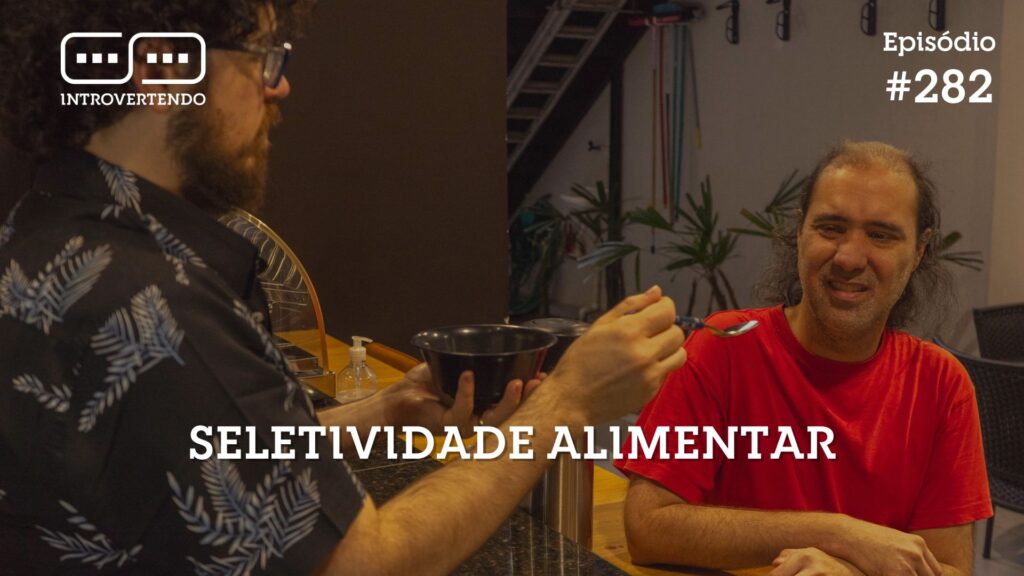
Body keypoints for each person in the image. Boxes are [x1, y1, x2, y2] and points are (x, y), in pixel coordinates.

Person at [0, 1, 688, 574]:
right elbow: (362, 563)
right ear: (161, 72)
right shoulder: (156, 304)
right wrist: (566, 403)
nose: (279, 87)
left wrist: (385, 410)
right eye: (261, 57)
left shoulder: (43, 235)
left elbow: (209, 445)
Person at [617, 141, 991, 576]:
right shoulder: (722, 348)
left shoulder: (941, 384)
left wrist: (847, 571)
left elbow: (949, 569)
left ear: (919, 251)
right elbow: (648, 527)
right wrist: (837, 533)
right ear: (800, 233)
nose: (849, 257)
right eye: (831, 228)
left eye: (881, 235)